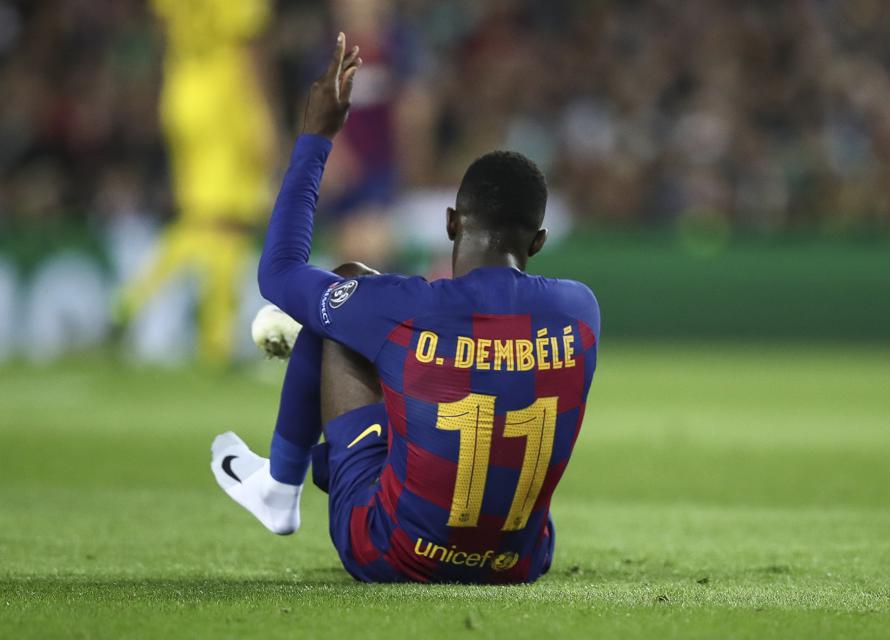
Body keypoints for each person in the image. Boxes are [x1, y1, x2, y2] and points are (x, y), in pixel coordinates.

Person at [211, 34, 600, 584]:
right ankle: (310, 467)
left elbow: (278, 273)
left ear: (451, 224)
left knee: (342, 297)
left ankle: (281, 483)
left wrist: (315, 138)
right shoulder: (581, 311)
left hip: (393, 553)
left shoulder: (405, 309)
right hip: (517, 563)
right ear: (538, 242)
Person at [116, 0, 276, 365]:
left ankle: (209, 338)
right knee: (228, 221)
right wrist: (263, 117)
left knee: (206, 220)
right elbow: (248, 49)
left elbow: (161, 27)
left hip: (181, 92)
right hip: (225, 98)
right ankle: (148, 306)